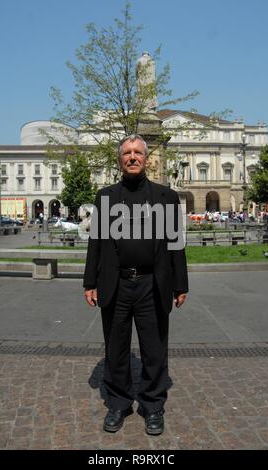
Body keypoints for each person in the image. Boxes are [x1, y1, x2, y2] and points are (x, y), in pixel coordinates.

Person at [83, 134, 188, 436]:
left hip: (152, 284)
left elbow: (175, 243)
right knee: (115, 348)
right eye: (126, 153)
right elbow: (96, 243)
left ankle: (153, 406)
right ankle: (118, 403)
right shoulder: (105, 197)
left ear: (146, 159)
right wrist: (90, 281)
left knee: (154, 349)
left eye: (137, 153)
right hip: (115, 282)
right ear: (119, 159)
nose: (132, 157)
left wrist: (180, 284)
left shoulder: (165, 196)